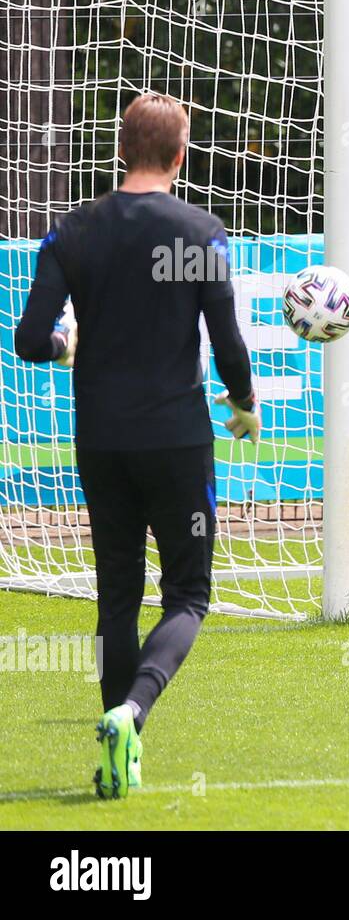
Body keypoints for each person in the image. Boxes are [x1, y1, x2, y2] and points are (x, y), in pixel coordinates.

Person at [15, 92, 261, 799]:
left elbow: (31, 338)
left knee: (116, 595)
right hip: (177, 441)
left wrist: (66, 346)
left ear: (121, 150)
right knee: (187, 595)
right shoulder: (197, 232)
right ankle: (133, 711)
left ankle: (114, 750)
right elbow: (228, 342)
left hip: (101, 440)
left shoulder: (73, 232)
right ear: (181, 155)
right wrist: (243, 405)